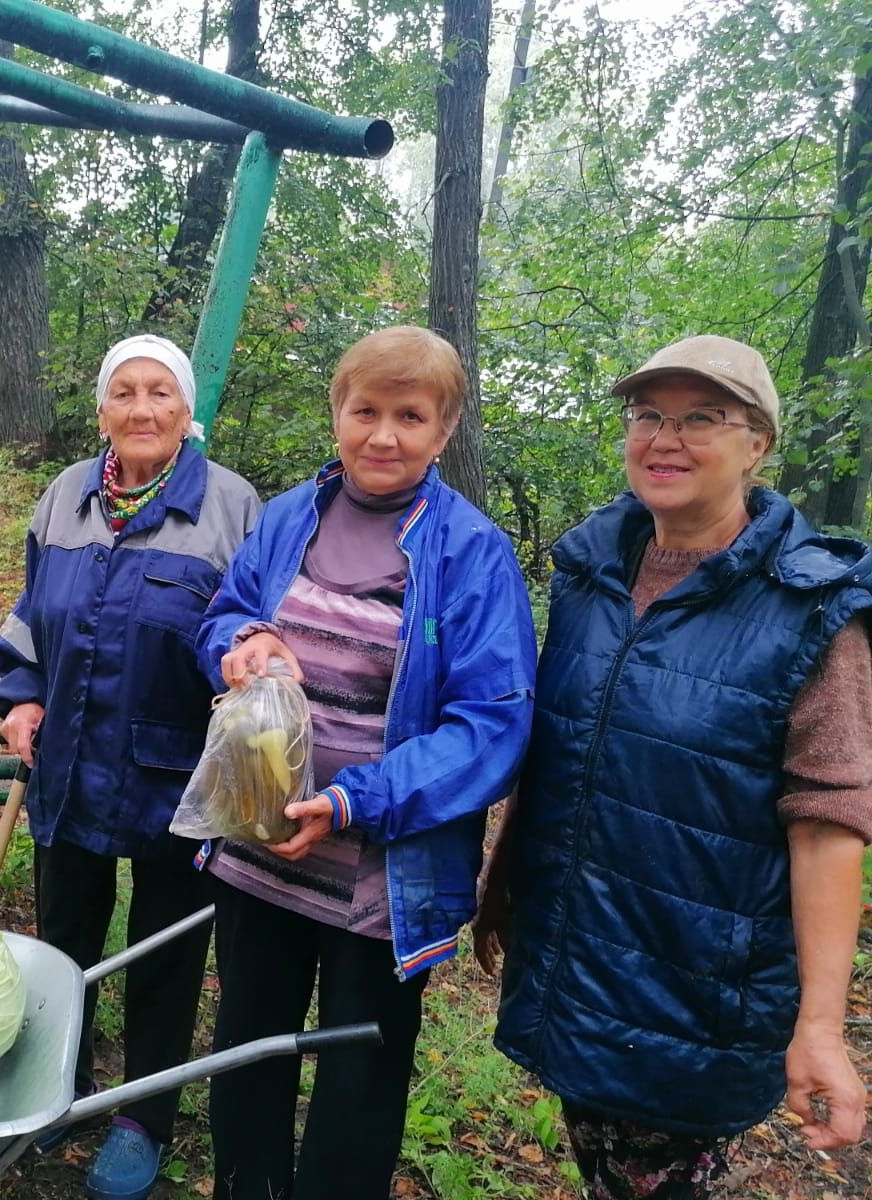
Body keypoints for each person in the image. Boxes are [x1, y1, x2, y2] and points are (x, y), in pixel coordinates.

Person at [476, 334, 871, 1198]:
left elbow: (831, 821)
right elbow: (562, 751)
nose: (666, 438)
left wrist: (820, 1026)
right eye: (648, 414)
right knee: (604, 1158)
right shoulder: (589, 572)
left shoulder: (814, 610)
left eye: (703, 418)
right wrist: (502, 887)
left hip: (694, 983)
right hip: (580, 952)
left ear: (758, 442)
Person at [194, 326, 537, 1200]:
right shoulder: (286, 518)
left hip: (385, 877)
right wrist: (240, 639)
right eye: (366, 411)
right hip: (261, 845)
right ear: (337, 413)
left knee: (360, 1073)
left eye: (410, 416)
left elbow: (492, 724)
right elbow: (222, 613)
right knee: (247, 1045)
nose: (384, 435)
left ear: (445, 429)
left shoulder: (472, 553)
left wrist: (356, 801)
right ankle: (247, 1186)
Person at [0, 333, 261, 1200]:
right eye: (124, 393)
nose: (142, 410)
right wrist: (23, 696)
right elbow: (32, 609)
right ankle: (55, 1089)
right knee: (64, 937)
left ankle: (143, 1116)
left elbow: (252, 625)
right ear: (103, 408)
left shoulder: (230, 506)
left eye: (161, 394)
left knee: (165, 952)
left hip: (176, 774)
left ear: (188, 411)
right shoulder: (66, 494)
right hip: (67, 755)